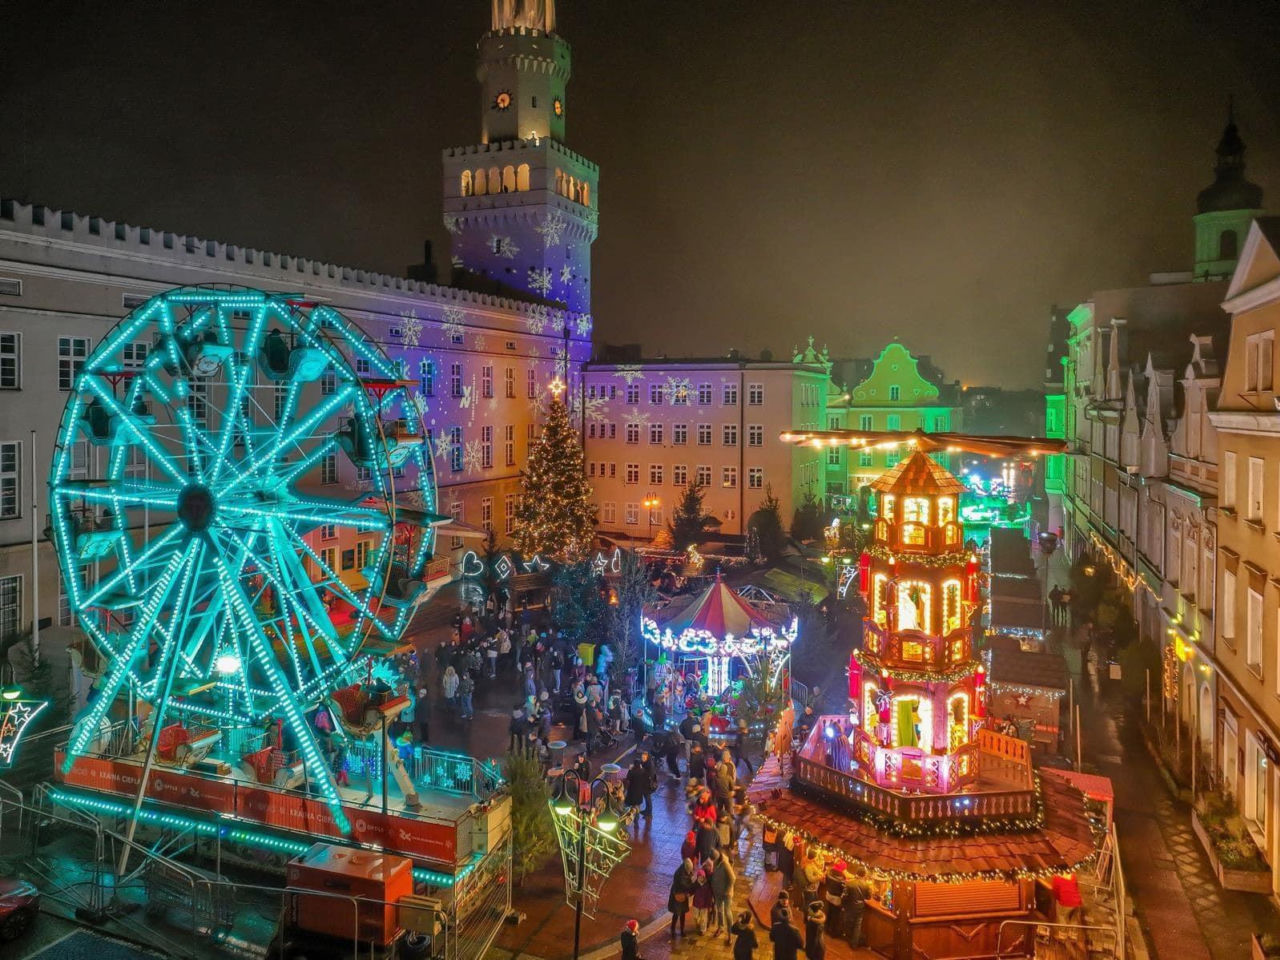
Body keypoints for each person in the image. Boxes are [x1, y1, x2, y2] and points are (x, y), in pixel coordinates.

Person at [843, 866, 872, 948]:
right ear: (864, 875)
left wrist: (843, 905)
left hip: (850, 906)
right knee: (857, 925)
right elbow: (868, 897)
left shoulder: (849, 883)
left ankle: (848, 938)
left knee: (849, 922)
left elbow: (844, 896)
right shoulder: (866, 885)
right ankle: (854, 944)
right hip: (860, 907)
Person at [710, 849, 736, 940]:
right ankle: (720, 927)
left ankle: (730, 933)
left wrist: (727, 890)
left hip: (726, 893)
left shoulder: (725, 864)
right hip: (717, 891)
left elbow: (732, 878)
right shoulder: (714, 862)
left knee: (727, 912)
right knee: (719, 910)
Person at [669, 858, 696, 938]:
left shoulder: (685, 870)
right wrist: (694, 884)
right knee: (676, 914)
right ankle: (673, 930)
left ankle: (682, 930)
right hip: (678, 896)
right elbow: (685, 885)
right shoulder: (679, 874)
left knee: (682, 913)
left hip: (682, 895)